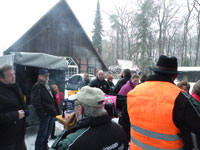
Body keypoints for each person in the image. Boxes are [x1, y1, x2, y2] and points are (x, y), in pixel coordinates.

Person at [120, 55, 200, 150]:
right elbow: (195, 134)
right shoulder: (180, 99)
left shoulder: (134, 93)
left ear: (155, 72)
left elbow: (124, 124)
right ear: (175, 76)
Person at [50, 86, 129, 150]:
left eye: (75, 107)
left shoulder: (72, 141)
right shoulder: (119, 129)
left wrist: (67, 130)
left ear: (80, 109)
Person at [0, 64, 27, 150]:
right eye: (9, 75)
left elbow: (20, 103)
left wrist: (25, 112)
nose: (13, 76)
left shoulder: (15, 86)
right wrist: (15, 115)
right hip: (6, 139)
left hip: (19, 135)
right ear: (1, 78)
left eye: (13, 74)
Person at [31, 69, 59, 150]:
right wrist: (43, 113)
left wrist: (56, 111)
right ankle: (38, 148)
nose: (47, 77)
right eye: (45, 76)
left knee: (48, 132)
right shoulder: (37, 86)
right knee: (42, 133)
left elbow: (53, 99)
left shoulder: (48, 85)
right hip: (44, 115)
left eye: (48, 76)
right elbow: (36, 102)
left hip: (51, 113)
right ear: (39, 76)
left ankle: (44, 145)